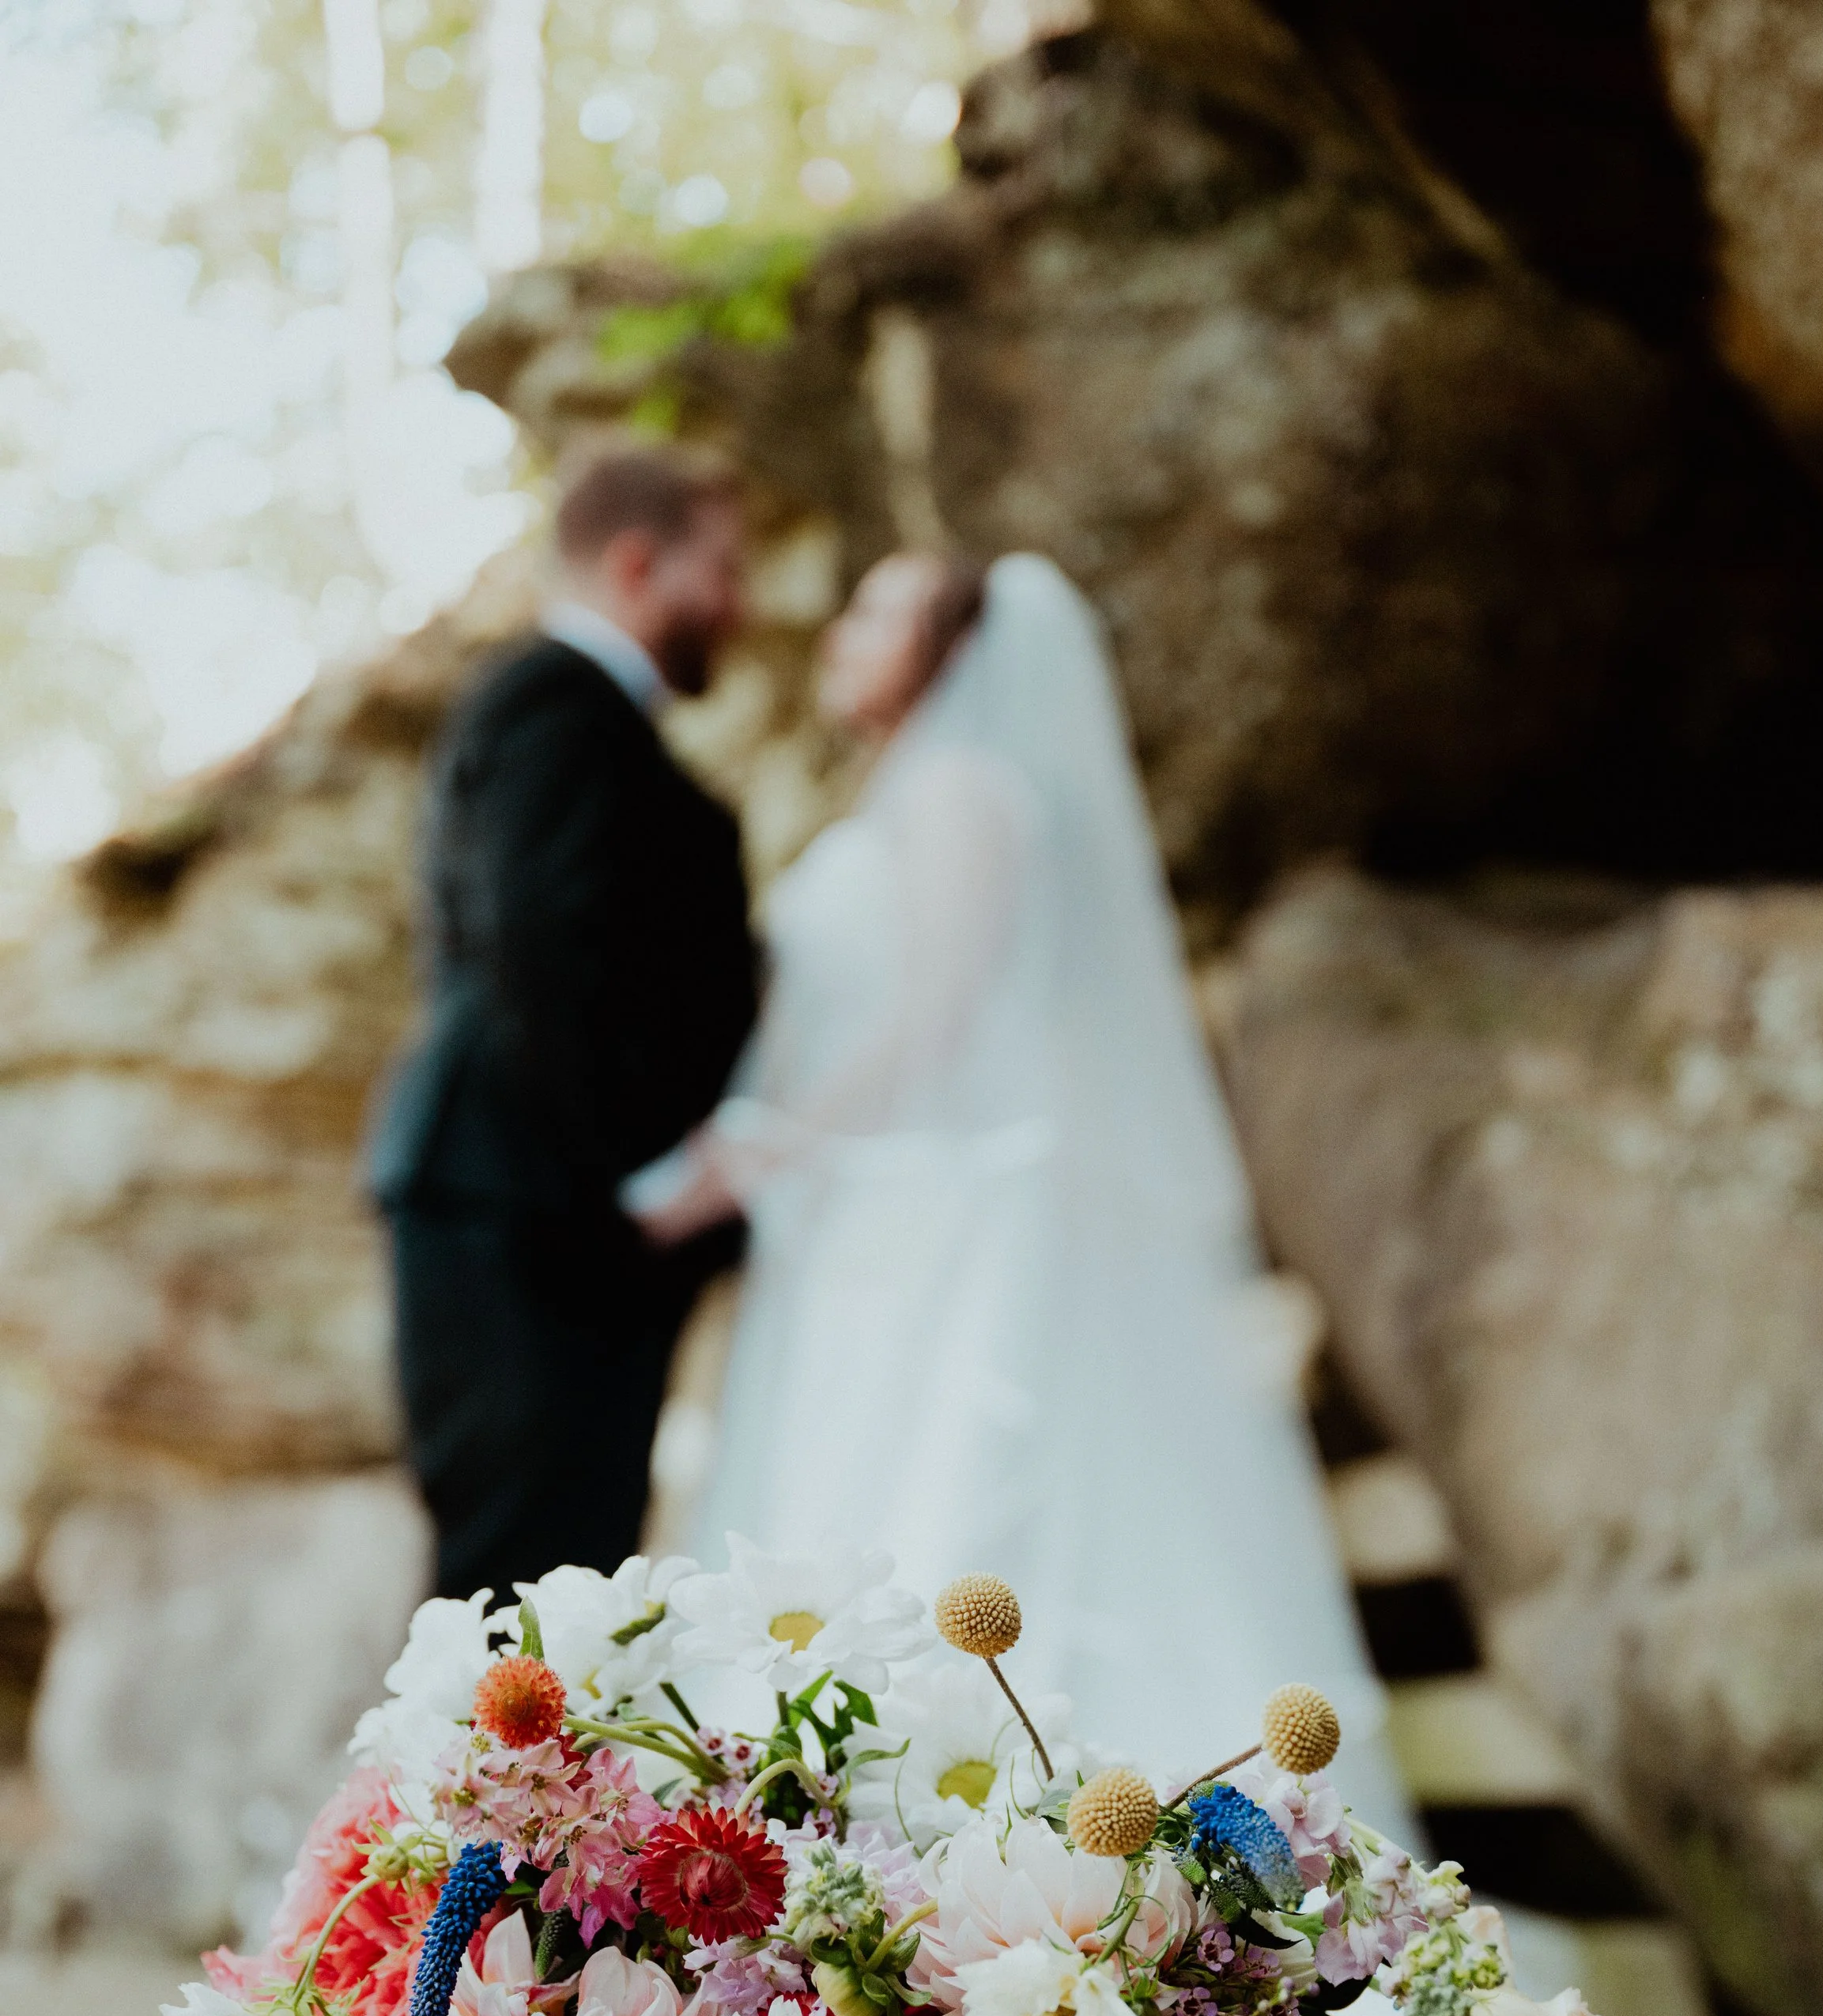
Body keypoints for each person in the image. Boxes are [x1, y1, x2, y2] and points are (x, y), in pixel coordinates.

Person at [653, 549, 1412, 1831]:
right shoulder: (908, 783)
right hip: (885, 1218)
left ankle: (979, 1845)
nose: (838, 633)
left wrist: (770, 1144)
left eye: (875, 612)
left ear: (951, 651)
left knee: (947, 1500)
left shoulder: (959, 788)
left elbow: (938, 1015)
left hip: (948, 1222)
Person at [369, 447, 758, 1603]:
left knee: (568, 1587)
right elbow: (536, 939)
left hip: (550, 1215)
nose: (738, 605)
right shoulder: (553, 700)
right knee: (518, 1605)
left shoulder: (586, 718)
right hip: (518, 1213)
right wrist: (653, 1167)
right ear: (637, 562)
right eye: (722, 569)